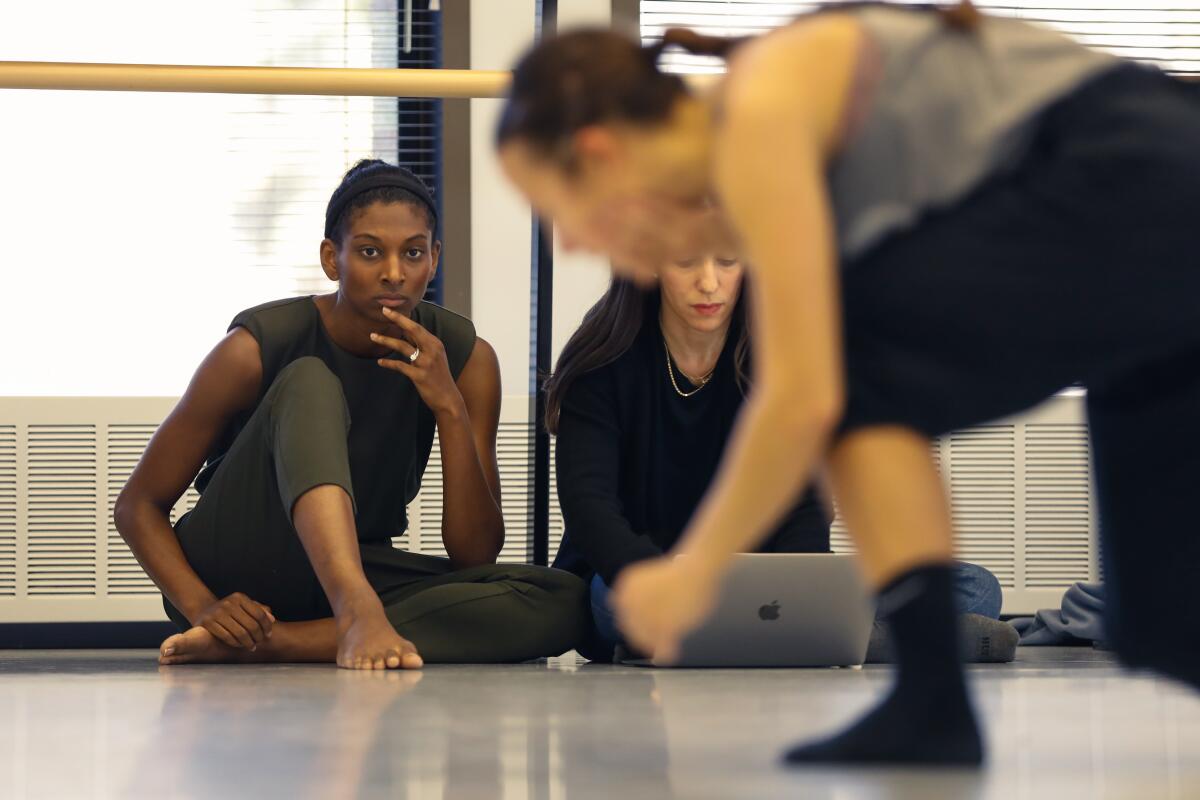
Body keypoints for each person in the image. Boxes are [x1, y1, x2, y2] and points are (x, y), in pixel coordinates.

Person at [495, 1, 1200, 765]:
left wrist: (693, 575)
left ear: (599, 154)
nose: (567, 240)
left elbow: (805, 398)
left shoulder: (757, 116)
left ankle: (931, 701)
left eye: (555, 210)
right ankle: (933, 703)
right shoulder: (764, 151)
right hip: (1142, 206)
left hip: (1135, 171)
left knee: (853, 374)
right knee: (1159, 626)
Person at [115, 159, 586, 670]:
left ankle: (283, 642)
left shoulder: (467, 360)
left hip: (348, 568)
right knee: (310, 379)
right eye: (368, 251)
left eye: (412, 253)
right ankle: (355, 612)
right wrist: (204, 608)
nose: (393, 272)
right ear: (331, 259)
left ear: (434, 259)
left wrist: (448, 406)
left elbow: (475, 557)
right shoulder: (253, 348)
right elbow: (137, 505)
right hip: (237, 570)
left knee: (559, 599)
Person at [549, 251, 1009, 662]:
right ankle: (863, 640)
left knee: (977, 587)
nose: (709, 282)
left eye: (727, 261)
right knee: (607, 600)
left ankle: (706, 641)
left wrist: (795, 590)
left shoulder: (778, 356)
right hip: (644, 575)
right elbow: (589, 505)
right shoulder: (602, 362)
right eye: (687, 261)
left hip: (754, 574)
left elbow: (804, 501)